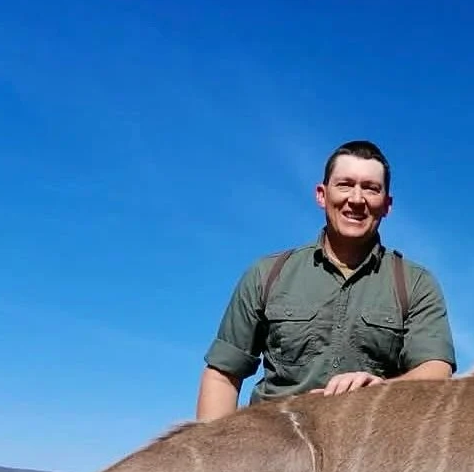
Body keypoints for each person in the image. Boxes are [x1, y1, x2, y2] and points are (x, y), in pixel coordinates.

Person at [195, 140, 457, 420]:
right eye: (345, 184)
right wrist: (218, 457)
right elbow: (223, 373)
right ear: (322, 195)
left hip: (369, 446)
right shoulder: (266, 274)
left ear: (387, 205)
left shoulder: (416, 283)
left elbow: (436, 371)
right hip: (272, 446)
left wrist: (380, 389)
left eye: (370, 188)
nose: (357, 199)